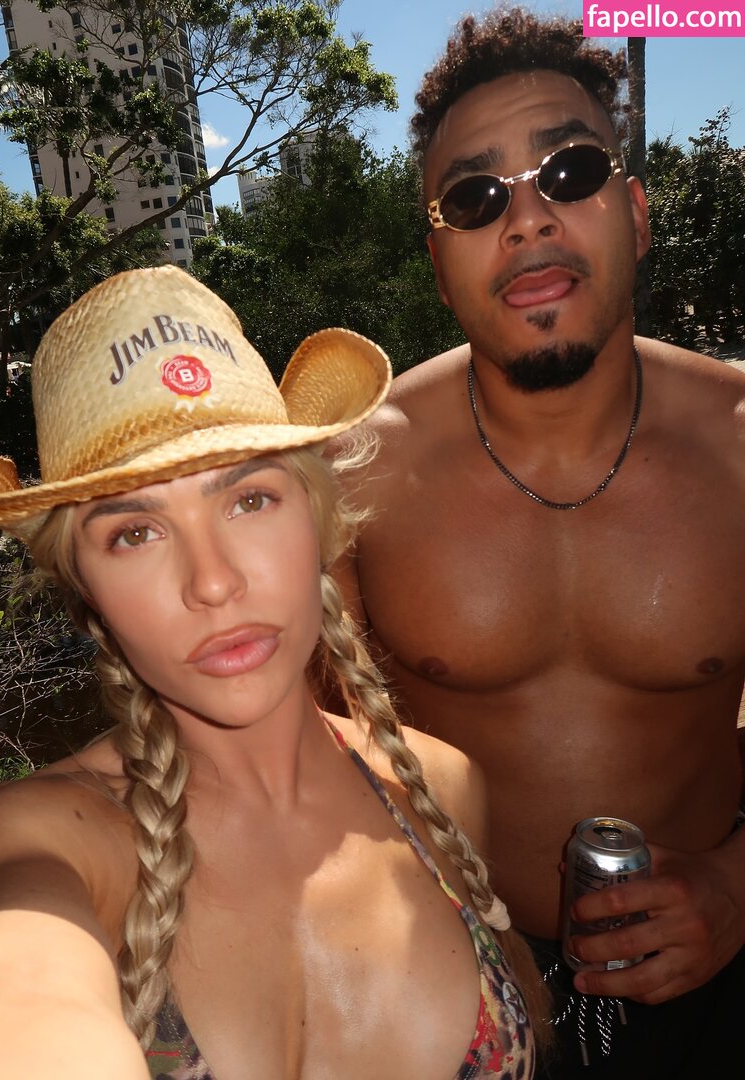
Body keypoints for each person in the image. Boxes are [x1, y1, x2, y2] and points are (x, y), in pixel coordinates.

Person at [0, 266, 544, 1080]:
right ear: (85, 590)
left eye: (249, 501)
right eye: (135, 533)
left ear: (318, 520)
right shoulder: (33, 847)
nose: (214, 582)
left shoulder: (443, 787)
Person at [332, 9, 745, 1078]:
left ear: (636, 214)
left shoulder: (740, 444)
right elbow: (306, 761)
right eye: (476, 198)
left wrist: (736, 886)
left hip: (719, 959)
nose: (527, 220)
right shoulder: (355, 474)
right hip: (461, 984)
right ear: (439, 265)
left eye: (570, 171)